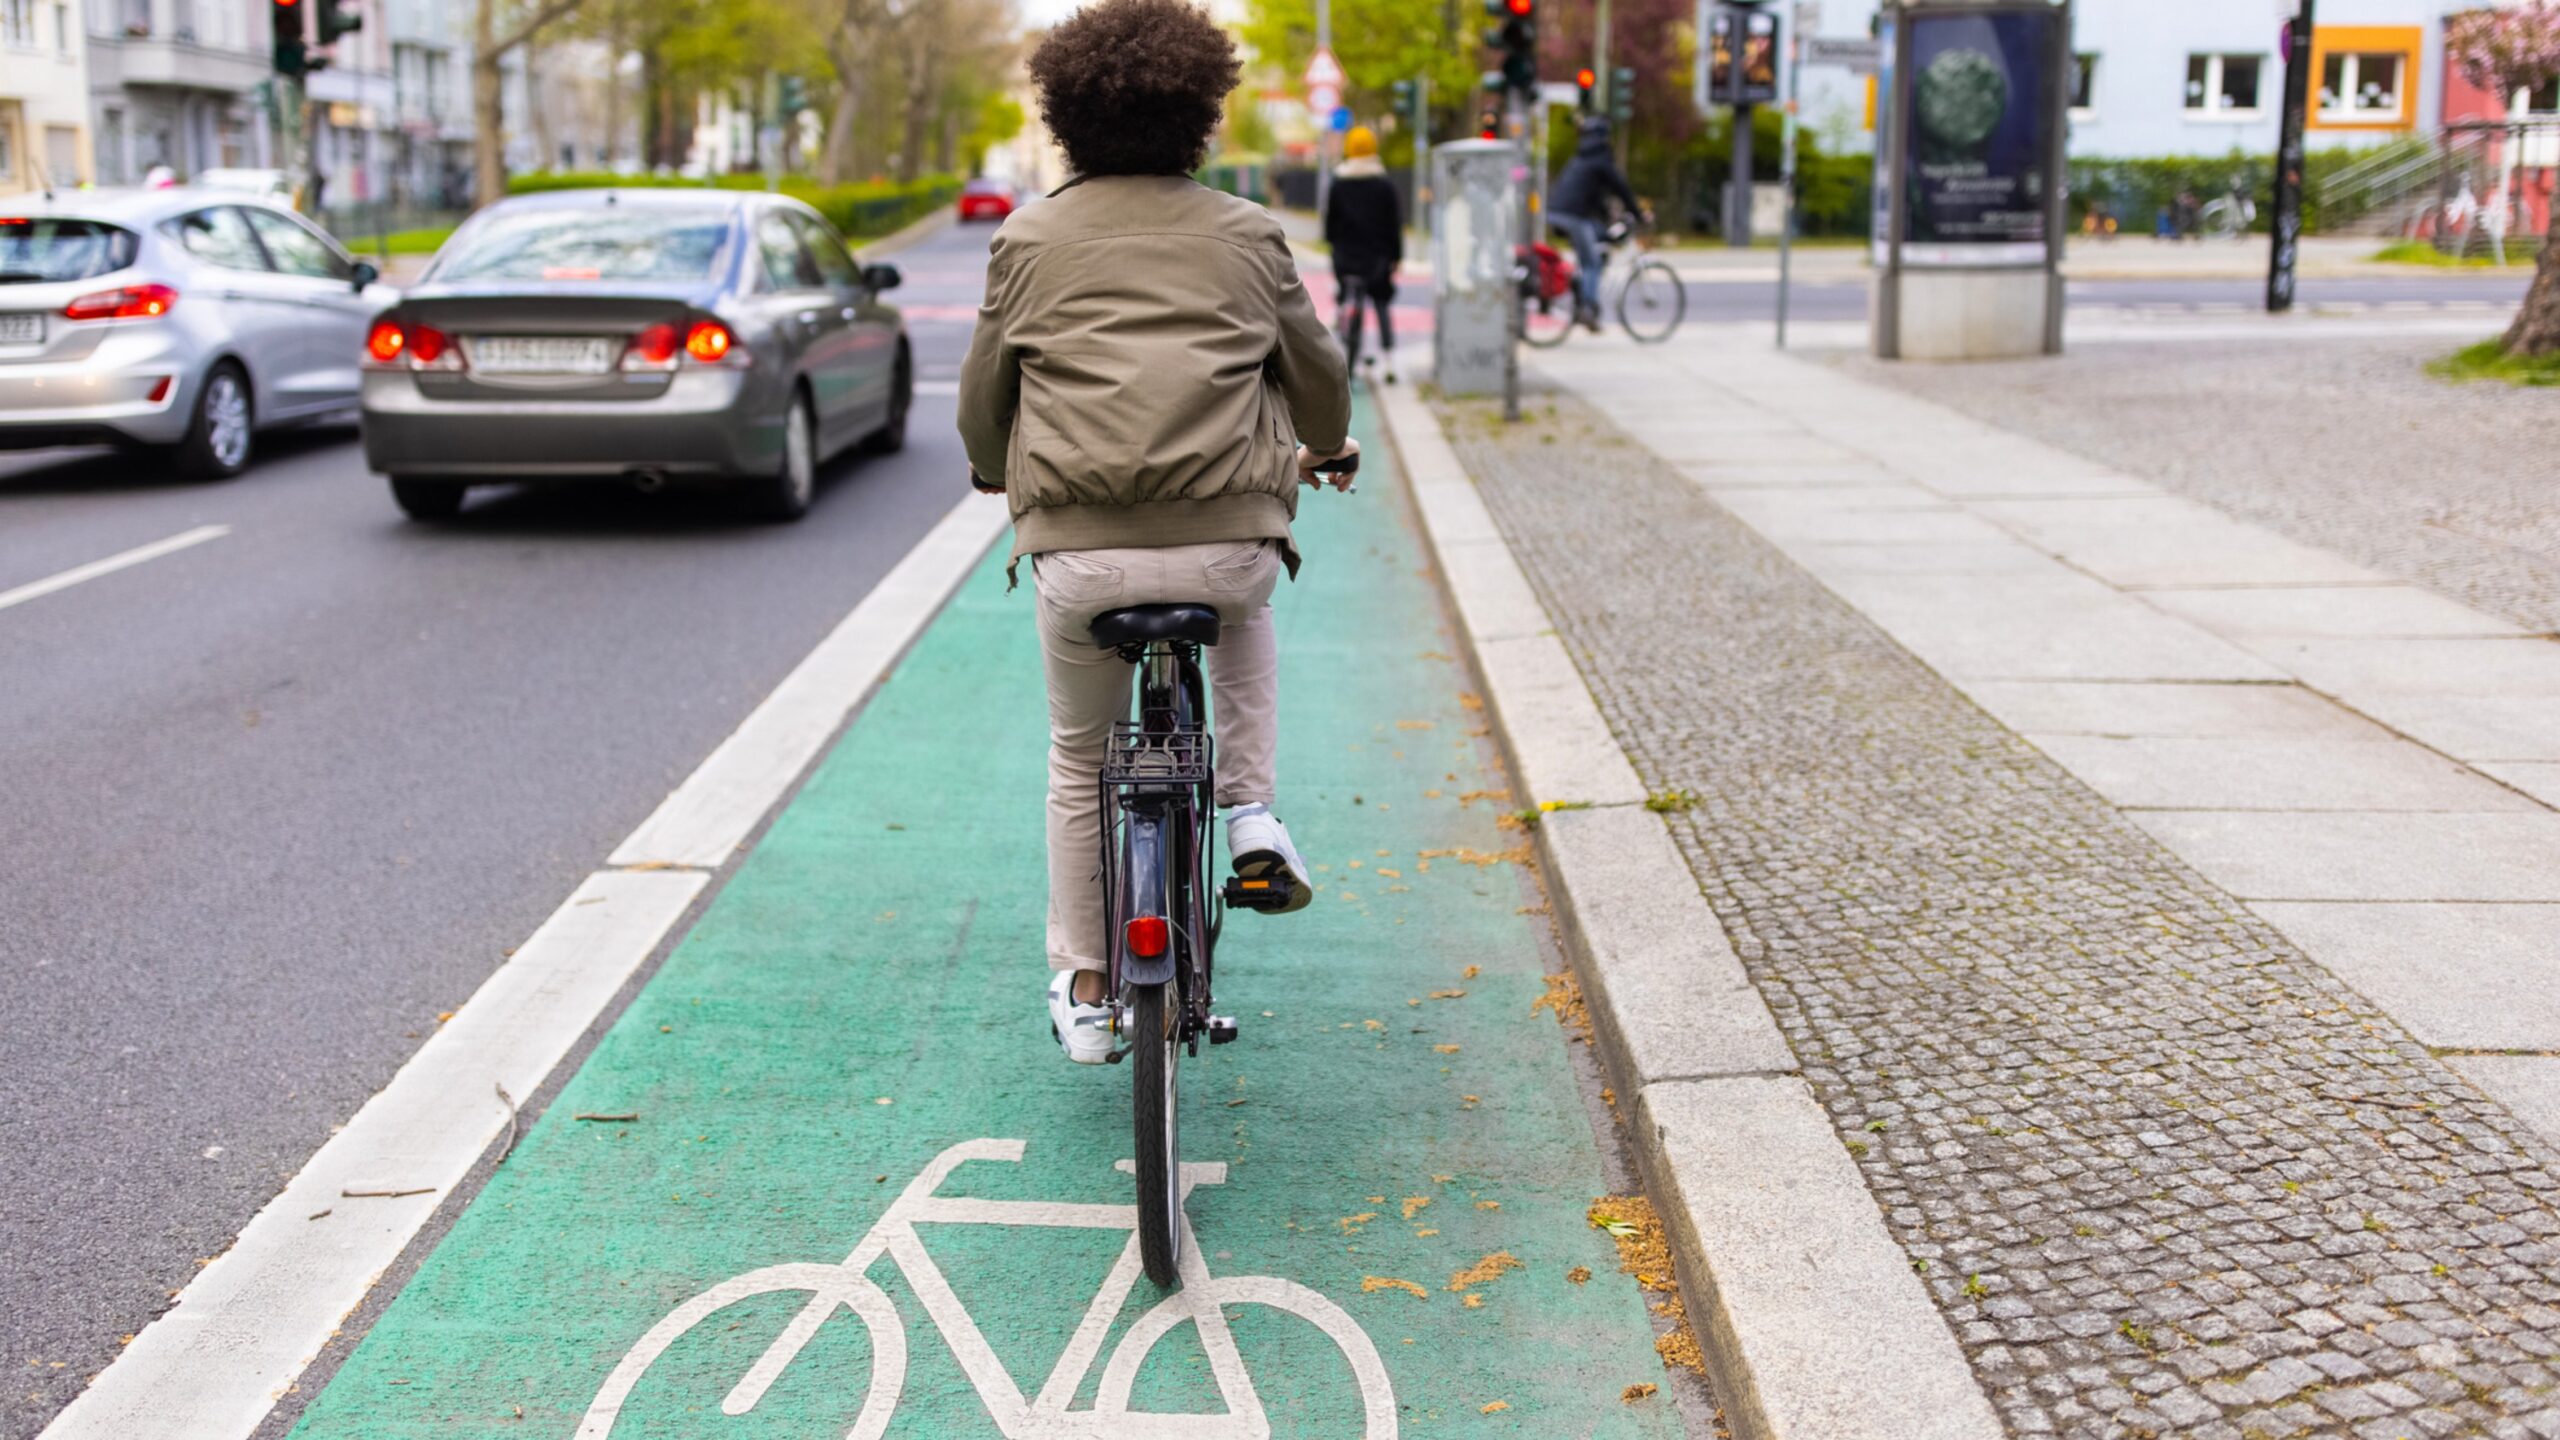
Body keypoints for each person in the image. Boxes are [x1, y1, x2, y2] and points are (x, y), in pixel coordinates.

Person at [956, 0, 1358, 1065]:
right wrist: (1327, 443)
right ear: (1201, 114)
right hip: (1228, 540)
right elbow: (1316, 378)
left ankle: (1090, 985)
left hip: (1081, 553)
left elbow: (983, 397)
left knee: (1080, 758)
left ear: (1066, 115)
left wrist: (995, 469)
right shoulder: (1245, 234)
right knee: (1242, 607)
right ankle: (1254, 815)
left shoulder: (1029, 237)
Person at [1324, 126, 1403, 384]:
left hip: (1348, 259)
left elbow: (1330, 227)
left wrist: (1335, 252)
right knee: (1381, 305)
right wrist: (1396, 256)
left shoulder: (1338, 183)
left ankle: (1352, 361)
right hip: (1378, 259)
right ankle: (1389, 361)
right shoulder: (1384, 184)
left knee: (1351, 301)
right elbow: (1394, 224)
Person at [1546, 117, 1641, 331]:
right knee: (1592, 263)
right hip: (1572, 216)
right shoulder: (1600, 159)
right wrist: (1638, 213)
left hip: (1560, 212)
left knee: (1599, 238)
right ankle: (1587, 308)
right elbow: (1620, 187)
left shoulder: (1582, 157)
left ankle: (1581, 286)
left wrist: (1606, 216)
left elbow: (1594, 195)